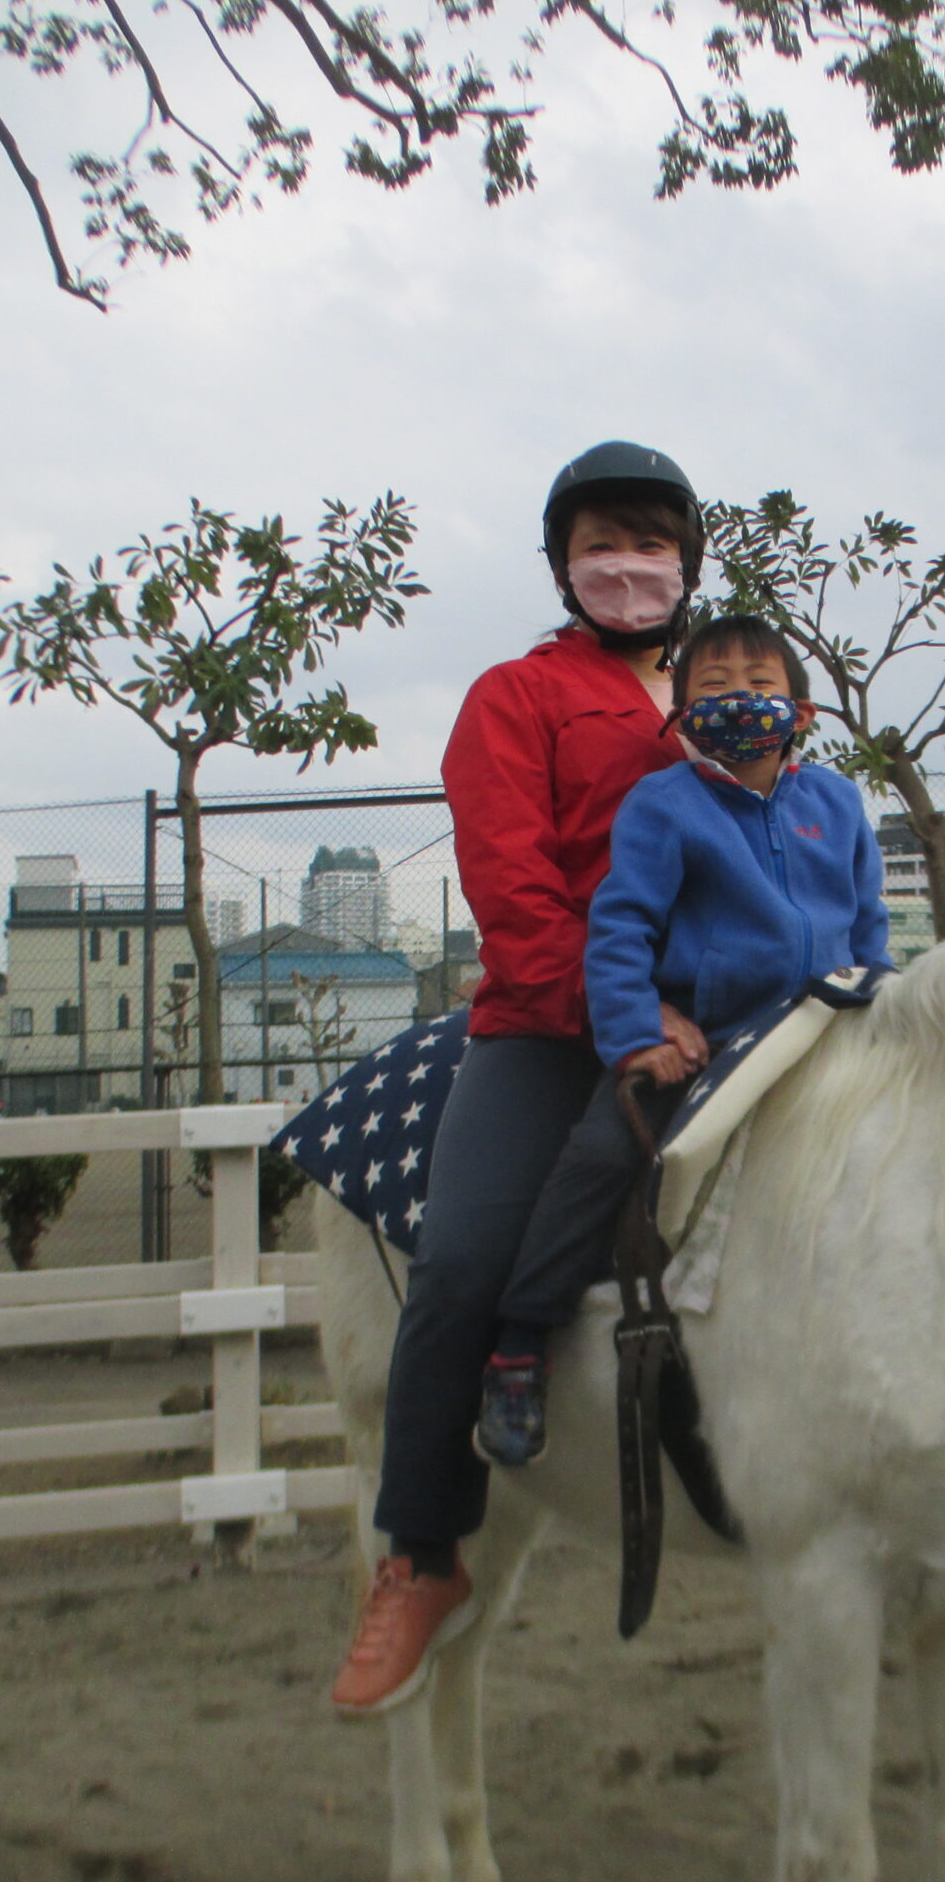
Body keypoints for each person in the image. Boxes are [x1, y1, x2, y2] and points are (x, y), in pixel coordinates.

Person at [333, 442, 707, 1716]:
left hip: (735, 1011)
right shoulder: (514, 697)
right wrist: (623, 1016)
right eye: (600, 541)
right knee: (459, 1262)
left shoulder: (728, 693)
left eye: (649, 542)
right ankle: (424, 1550)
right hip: (551, 1029)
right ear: (560, 562)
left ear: (686, 564)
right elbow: (515, 894)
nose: (626, 564)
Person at [472, 613, 895, 1466]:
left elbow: (871, 921)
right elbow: (620, 929)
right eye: (714, 688)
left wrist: (881, 1000)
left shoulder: (838, 802)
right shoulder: (664, 804)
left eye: (763, 686)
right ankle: (520, 1340)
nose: (740, 700)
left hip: (823, 1027)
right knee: (600, 1153)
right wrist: (633, 1035)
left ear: (802, 714)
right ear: (679, 714)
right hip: (707, 1037)